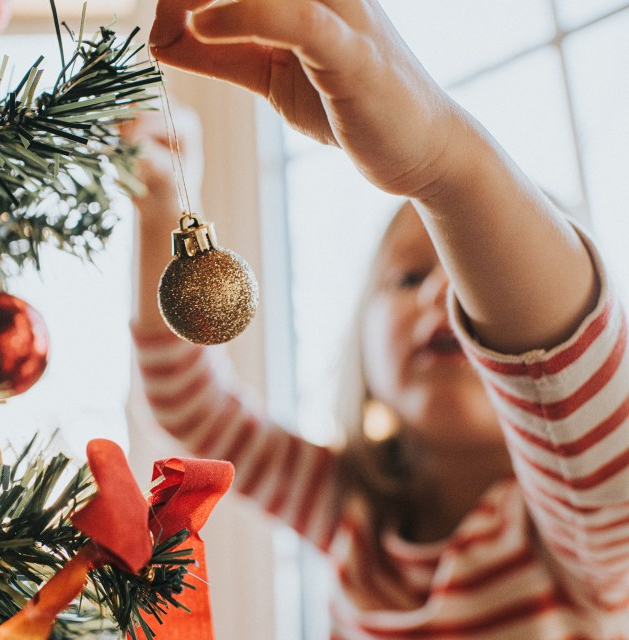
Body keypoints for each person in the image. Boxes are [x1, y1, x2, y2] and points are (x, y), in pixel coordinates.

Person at [125, 0, 629, 637]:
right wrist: (161, 212)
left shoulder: (585, 537)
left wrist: (444, 165)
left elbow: (571, 375)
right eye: (409, 277)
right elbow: (190, 404)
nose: (441, 294)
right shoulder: (351, 515)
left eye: (474, 281)